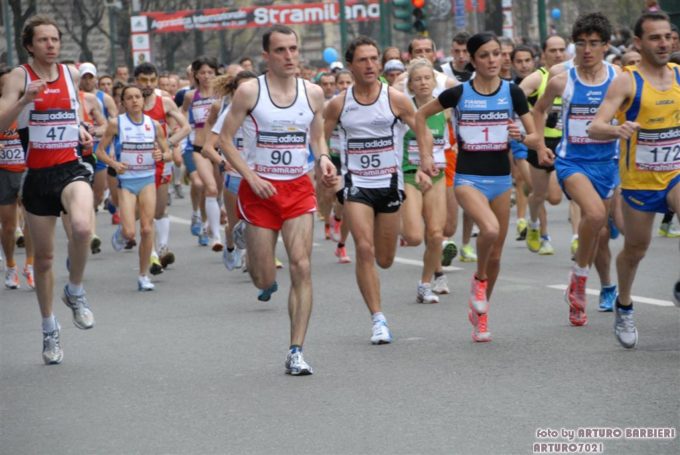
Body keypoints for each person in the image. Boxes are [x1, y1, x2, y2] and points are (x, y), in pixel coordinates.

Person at [219, 25, 335, 375]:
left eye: (293, 49)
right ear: (266, 56)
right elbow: (225, 140)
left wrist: (325, 158)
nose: (289, 56)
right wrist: (252, 178)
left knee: (301, 265)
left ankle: (296, 350)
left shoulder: (313, 93)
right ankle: (247, 246)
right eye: (281, 50)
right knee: (263, 278)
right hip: (258, 192)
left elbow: (317, 138)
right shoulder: (249, 92)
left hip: (297, 189)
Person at [416, 32, 539, 342]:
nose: (492, 60)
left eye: (497, 54)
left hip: (501, 179)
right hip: (468, 178)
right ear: (472, 60)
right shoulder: (458, 94)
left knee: (495, 256)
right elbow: (420, 115)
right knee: (490, 230)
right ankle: (479, 283)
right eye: (484, 55)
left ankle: (481, 315)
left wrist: (520, 136)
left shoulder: (513, 93)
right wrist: (427, 154)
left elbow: (535, 137)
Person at [0, 16, 95, 364]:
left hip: (70, 167)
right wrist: (24, 100)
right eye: (43, 40)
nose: (51, 45)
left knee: (83, 227)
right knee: (43, 260)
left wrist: (81, 128)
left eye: (55, 39)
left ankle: (76, 290)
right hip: (37, 176)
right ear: (30, 45)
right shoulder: (18, 77)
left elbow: (71, 116)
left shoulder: (70, 75)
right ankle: (49, 328)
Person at [589, 11, 680, 348]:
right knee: (635, 249)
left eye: (668, 36)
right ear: (639, 43)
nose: (664, 43)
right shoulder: (627, 80)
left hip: (675, 173)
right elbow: (594, 126)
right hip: (639, 182)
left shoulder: (679, 76)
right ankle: (624, 304)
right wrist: (617, 128)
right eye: (655, 38)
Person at [325, 36, 419, 345]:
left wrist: (427, 159)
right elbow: (319, 136)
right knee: (363, 248)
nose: (369, 65)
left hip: (390, 185)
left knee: (385, 259)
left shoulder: (396, 99)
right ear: (350, 65)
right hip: (357, 185)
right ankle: (378, 319)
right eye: (363, 60)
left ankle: (379, 298)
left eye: (373, 59)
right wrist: (324, 162)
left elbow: (421, 129)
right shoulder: (339, 103)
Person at [534, 12, 621, 325]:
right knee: (595, 216)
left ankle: (579, 291)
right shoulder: (562, 80)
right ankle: (580, 280)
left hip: (607, 163)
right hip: (572, 162)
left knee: (599, 233)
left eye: (594, 44)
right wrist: (541, 144)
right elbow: (539, 110)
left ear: (606, 46)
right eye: (581, 43)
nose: (587, 50)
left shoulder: (618, 77)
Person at [96, 85, 170, 290]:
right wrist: (114, 164)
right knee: (130, 233)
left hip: (147, 179)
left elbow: (169, 152)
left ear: (143, 101)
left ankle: (143, 275)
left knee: (147, 228)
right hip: (127, 181)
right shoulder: (115, 124)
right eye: (129, 98)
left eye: (138, 97)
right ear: (123, 103)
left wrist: (161, 156)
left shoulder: (153, 125)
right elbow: (100, 152)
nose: (135, 100)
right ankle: (121, 234)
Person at [400, 59, 449, 303]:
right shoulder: (403, 109)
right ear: (410, 84)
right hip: (409, 175)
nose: (422, 82)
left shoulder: (445, 110)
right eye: (417, 79)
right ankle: (397, 218)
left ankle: (426, 283)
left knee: (436, 233)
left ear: (434, 81)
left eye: (427, 78)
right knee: (414, 236)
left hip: (436, 175)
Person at [134, 62, 190, 271]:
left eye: (151, 80)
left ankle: (163, 248)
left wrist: (169, 145)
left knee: (159, 209)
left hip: (160, 162)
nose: (147, 84)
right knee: (143, 212)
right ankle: (153, 254)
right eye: (143, 80)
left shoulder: (165, 102)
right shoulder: (130, 102)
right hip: (136, 165)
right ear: (136, 81)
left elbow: (185, 127)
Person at [202, 70, 257, 270]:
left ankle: (252, 259)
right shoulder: (229, 113)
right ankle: (231, 244)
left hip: (259, 176)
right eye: (242, 88)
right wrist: (223, 163)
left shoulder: (265, 111)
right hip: (234, 176)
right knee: (236, 225)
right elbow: (208, 148)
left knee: (257, 223)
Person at [520, 35, 568, 255]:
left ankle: (576, 238)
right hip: (540, 142)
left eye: (562, 49)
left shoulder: (572, 76)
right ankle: (536, 226)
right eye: (553, 50)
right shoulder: (537, 78)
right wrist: (532, 114)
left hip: (566, 142)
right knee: (540, 195)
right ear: (544, 54)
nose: (558, 54)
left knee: (559, 197)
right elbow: (515, 98)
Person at [181, 57, 222, 251]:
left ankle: (208, 224)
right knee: (210, 188)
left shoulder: (223, 95)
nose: (206, 76)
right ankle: (216, 236)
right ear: (196, 75)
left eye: (210, 72)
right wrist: (179, 136)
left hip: (222, 148)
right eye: (202, 72)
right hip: (199, 148)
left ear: (216, 73)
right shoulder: (191, 96)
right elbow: (181, 116)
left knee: (220, 192)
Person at [0, 67, 35, 289]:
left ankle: (30, 265)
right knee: (9, 225)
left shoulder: (30, 108)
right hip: (4, 171)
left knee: (32, 221)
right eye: (5, 85)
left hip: (28, 169)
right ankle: (11, 265)